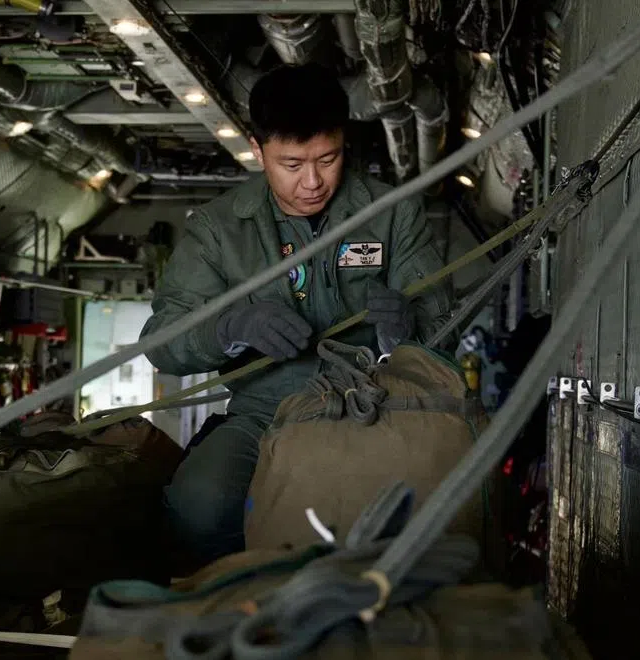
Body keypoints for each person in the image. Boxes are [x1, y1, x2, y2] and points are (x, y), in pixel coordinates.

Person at [141, 63, 453, 566]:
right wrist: (230, 327)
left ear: (344, 142)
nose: (312, 181)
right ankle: (233, 612)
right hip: (263, 414)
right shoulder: (220, 230)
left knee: (427, 512)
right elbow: (161, 342)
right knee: (198, 507)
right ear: (257, 148)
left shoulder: (393, 212)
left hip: (376, 407)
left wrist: (407, 332)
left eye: (327, 159)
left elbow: (446, 331)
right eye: (291, 164)